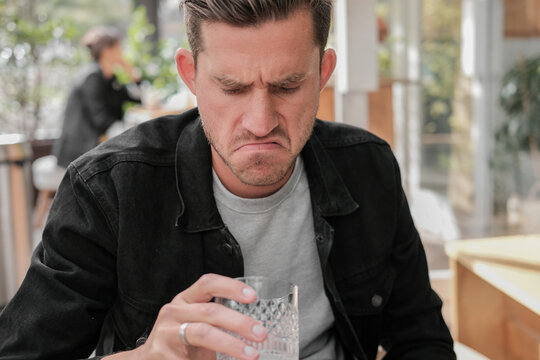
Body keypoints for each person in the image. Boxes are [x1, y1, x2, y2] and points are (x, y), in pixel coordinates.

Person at [0, 1, 456, 359]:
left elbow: (423, 340)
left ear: (323, 74)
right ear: (191, 76)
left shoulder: (369, 168)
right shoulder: (108, 191)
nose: (260, 123)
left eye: (288, 85)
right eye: (233, 88)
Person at [52, 26, 141, 168]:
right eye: (119, 47)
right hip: (79, 151)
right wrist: (128, 133)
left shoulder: (110, 78)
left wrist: (134, 77)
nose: (122, 52)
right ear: (107, 51)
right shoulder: (91, 77)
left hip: (95, 146)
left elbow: (137, 99)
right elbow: (101, 119)